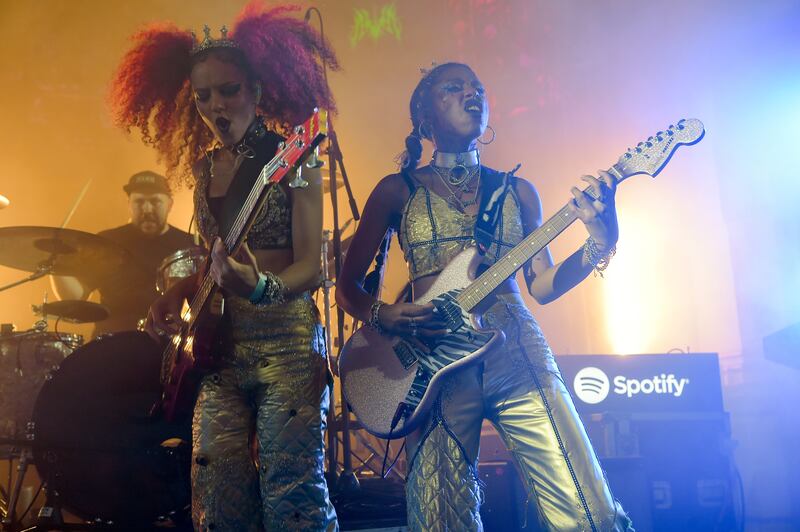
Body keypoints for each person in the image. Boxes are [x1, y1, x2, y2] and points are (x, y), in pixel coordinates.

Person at [336, 62, 634, 531]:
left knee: (588, 510)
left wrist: (600, 239)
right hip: (432, 364)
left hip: (515, 349)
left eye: (477, 87)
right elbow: (347, 286)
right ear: (425, 117)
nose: (471, 93)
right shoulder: (398, 189)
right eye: (453, 88)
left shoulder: (518, 191)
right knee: (441, 520)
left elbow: (541, 285)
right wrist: (384, 313)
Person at [107, 3, 339, 530]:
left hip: (287, 345)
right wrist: (178, 292)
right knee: (214, 486)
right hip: (219, 351)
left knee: (292, 492)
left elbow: (314, 269)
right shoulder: (202, 168)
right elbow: (214, 260)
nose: (215, 104)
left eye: (228, 90)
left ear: (257, 91)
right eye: (203, 95)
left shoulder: (296, 158)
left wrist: (259, 288)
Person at [50, 170, 194, 337]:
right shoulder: (107, 240)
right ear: (129, 204)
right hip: (111, 340)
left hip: (171, 342)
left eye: (155, 202)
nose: (147, 209)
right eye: (139, 202)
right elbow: (75, 296)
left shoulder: (188, 243)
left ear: (170, 205)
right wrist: (55, 263)